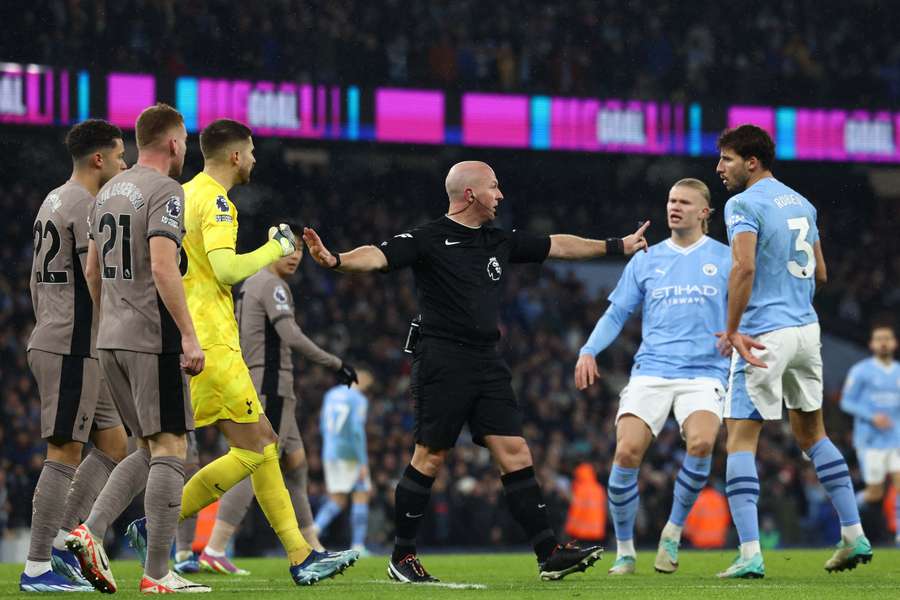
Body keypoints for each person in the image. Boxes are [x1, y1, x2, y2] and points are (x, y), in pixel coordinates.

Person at [302, 160, 650, 582]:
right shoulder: (428, 238)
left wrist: (617, 246)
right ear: (470, 194)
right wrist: (335, 259)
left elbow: (556, 244)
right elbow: (378, 256)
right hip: (442, 359)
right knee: (430, 456)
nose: (500, 195)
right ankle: (402, 556)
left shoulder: (497, 239)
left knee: (516, 452)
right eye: (494, 187)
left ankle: (548, 552)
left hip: (487, 360)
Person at [126, 118, 358, 587]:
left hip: (193, 334)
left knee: (262, 443)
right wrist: (273, 248)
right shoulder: (216, 200)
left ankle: (298, 553)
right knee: (258, 447)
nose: (253, 160)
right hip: (212, 339)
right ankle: (158, 523)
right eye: (250, 152)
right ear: (235, 156)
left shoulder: (184, 193)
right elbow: (228, 269)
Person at [715, 124, 871, 578]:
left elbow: (742, 267)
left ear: (751, 161)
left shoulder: (742, 204)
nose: (718, 168)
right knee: (812, 434)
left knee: (740, 439)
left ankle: (749, 553)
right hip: (806, 331)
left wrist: (731, 330)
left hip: (764, 333)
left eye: (726, 159)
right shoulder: (802, 201)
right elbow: (820, 273)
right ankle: (853, 533)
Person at [65, 103, 208, 593]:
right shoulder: (166, 191)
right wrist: (188, 335)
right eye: (186, 139)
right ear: (172, 142)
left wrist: (108, 324)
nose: (186, 147)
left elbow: (90, 271)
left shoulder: (105, 195)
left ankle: (90, 529)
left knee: (146, 447)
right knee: (171, 447)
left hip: (112, 337)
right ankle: (158, 572)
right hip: (153, 336)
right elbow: (165, 267)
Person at [575, 178, 731, 575]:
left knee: (700, 444)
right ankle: (625, 549)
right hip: (652, 371)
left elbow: (748, 308)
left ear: (704, 212)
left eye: (684, 202)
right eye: (670, 200)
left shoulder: (727, 259)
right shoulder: (646, 259)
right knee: (626, 453)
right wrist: (590, 349)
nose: (674, 207)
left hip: (704, 372)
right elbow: (617, 313)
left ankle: (672, 532)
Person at [190, 232, 357, 575]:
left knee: (296, 465)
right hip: (268, 385)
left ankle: (315, 546)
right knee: (255, 462)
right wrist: (334, 363)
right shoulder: (272, 285)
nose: (295, 255)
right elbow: (290, 335)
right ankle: (216, 546)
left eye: (299, 249)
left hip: (270, 384)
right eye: (289, 248)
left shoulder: (254, 283)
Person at [20, 119, 130, 593]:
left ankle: (64, 541)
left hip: (69, 340)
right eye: (121, 156)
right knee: (63, 450)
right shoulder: (87, 205)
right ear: (98, 159)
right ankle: (37, 566)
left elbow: (33, 279)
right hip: (70, 344)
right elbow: (96, 275)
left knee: (114, 444)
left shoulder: (54, 198)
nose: (125, 165)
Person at [840, 324, 900, 545]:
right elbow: (846, 401)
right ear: (872, 344)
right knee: (875, 493)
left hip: (895, 438)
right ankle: (847, 519)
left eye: (887, 338)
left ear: (894, 343)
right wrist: (871, 416)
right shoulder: (861, 371)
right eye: (879, 339)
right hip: (870, 440)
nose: (883, 342)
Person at [315, 369, 375, 554]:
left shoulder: (331, 394)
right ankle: (358, 546)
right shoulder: (358, 399)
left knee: (337, 500)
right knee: (361, 493)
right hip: (349, 454)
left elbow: (322, 425)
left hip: (330, 452)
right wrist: (363, 461)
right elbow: (356, 430)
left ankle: (311, 533)